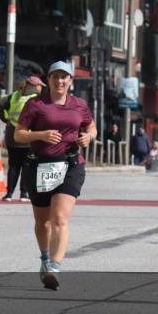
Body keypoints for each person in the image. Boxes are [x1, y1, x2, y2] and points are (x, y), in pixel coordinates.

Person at [15, 61, 96, 290]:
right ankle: (44, 257)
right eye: (55, 77)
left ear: (70, 81)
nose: (60, 81)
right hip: (40, 166)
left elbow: (91, 127)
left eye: (64, 77)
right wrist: (40, 135)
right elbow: (19, 135)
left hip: (70, 165)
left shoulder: (79, 104)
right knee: (43, 222)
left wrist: (89, 137)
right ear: (49, 80)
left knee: (60, 218)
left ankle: (54, 268)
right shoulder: (35, 104)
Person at [0, 75, 44, 201]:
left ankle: (9, 194)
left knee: (13, 165)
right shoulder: (36, 99)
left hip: (12, 134)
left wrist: (6, 119)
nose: (41, 88)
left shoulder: (15, 95)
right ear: (35, 86)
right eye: (40, 86)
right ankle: (24, 193)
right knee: (27, 165)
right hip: (28, 136)